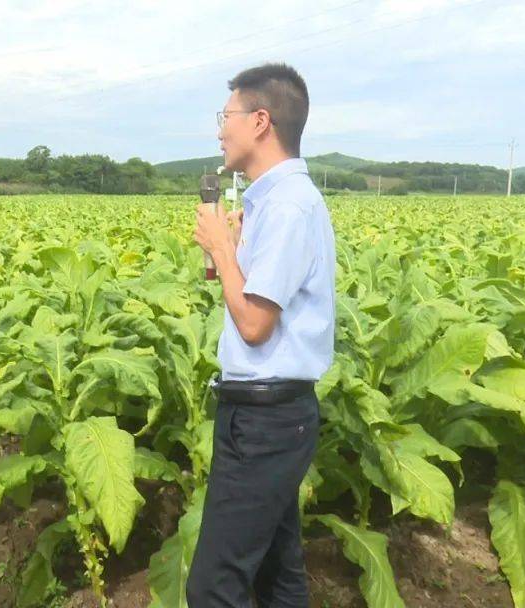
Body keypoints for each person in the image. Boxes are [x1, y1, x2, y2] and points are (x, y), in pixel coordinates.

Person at [187, 63, 336, 608]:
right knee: (278, 572)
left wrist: (224, 250)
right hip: (266, 415)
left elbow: (253, 325)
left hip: (267, 421)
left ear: (260, 121)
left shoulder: (290, 206)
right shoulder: (272, 201)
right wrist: (230, 252)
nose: (218, 129)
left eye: (225, 116)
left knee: (213, 586)